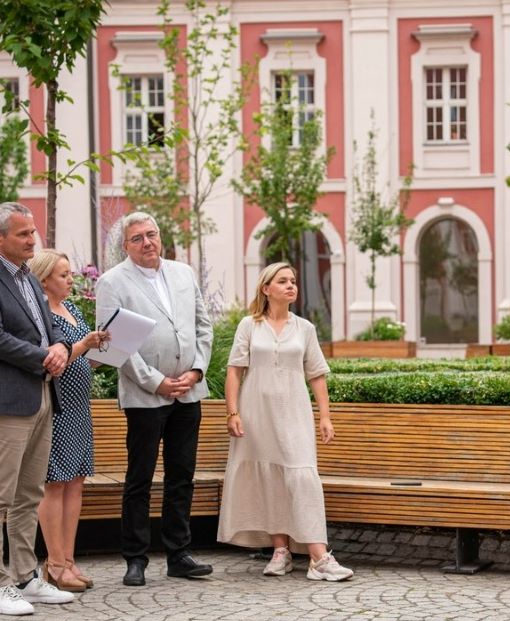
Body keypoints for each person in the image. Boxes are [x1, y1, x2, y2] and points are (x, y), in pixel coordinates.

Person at [0, 201, 76, 615]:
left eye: (33, 232)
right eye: (23, 234)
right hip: (6, 399)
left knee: (29, 493)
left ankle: (26, 577)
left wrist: (60, 347)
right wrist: (45, 356)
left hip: (42, 396)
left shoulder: (28, 277)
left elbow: (46, 332)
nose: (33, 239)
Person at [94, 211, 214, 587]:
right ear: (125, 246)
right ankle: (135, 558)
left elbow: (202, 325)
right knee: (140, 477)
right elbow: (116, 345)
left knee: (182, 476)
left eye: (152, 234)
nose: (147, 242)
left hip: (189, 391)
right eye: (137, 238)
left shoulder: (183, 273)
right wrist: (157, 382)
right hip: (145, 396)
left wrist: (196, 370)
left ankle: (179, 553)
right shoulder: (112, 282)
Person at [217, 262, 353, 582]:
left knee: (302, 475)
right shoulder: (249, 326)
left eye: (293, 281)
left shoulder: (305, 328)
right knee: (270, 477)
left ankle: (319, 557)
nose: (291, 285)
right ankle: (281, 551)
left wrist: (325, 416)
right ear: (267, 289)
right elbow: (235, 371)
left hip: (294, 410)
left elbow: (316, 374)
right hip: (256, 412)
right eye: (283, 281)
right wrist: (232, 412)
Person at [30, 249, 109, 592]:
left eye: (70, 274)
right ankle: (54, 562)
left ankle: (70, 560)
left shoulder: (73, 309)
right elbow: (53, 357)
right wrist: (83, 346)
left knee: (76, 480)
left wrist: (103, 353)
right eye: (63, 275)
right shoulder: (40, 313)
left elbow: (81, 358)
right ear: (44, 279)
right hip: (56, 404)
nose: (70, 280)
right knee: (55, 482)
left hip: (79, 405)